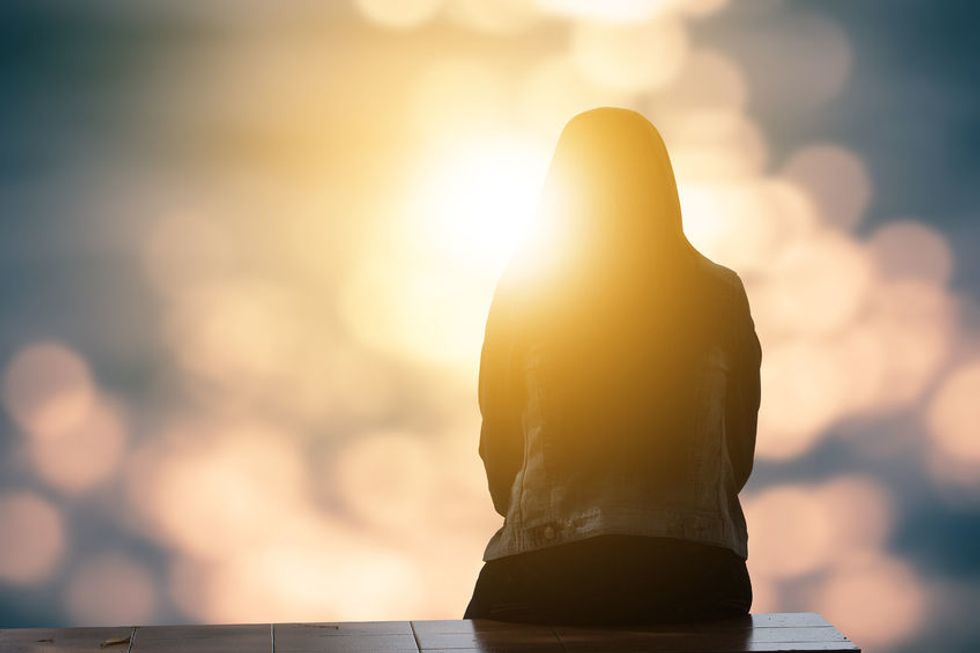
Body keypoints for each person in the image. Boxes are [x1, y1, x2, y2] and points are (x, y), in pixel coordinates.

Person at [463, 107, 762, 626]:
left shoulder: (527, 288)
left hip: (549, 569)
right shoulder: (721, 292)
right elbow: (737, 453)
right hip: (700, 576)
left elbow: (500, 456)